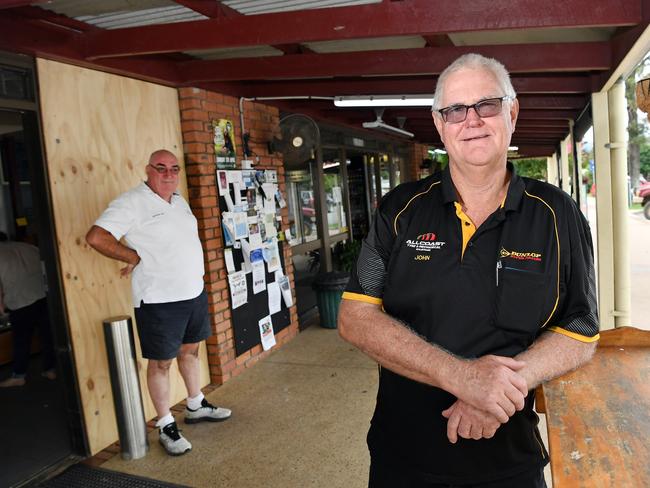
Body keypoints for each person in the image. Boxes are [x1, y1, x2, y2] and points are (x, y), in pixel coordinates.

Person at [338, 53, 599, 487]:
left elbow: (582, 325)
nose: (471, 120)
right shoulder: (398, 211)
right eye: (455, 110)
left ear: (511, 112)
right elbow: (354, 316)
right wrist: (463, 378)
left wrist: (496, 391)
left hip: (509, 461)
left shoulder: (557, 214)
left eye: (487, 105)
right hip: (402, 457)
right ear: (439, 125)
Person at [86, 149, 231, 456]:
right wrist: (131, 256)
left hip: (192, 292)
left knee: (191, 351)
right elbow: (97, 237)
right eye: (161, 168)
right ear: (148, 169)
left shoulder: (178, 201)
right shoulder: (131, 202)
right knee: (161, 363)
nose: (168, 174)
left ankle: (195, 404)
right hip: (159, 300)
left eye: (174, 169)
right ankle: (165, 424)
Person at [0, 232, 56, 387]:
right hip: (42, 295)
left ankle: (19, 375)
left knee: (21, 340)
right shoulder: (29, 247)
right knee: (48, 335)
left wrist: (1, 307)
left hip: (20, 301)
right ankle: (50, 369)